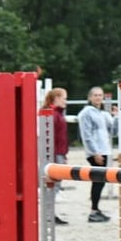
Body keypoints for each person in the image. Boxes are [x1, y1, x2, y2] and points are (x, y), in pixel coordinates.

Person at [78, 86, 117, 223]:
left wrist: (116, 117)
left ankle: (96, 209)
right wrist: (95, 152)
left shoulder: (103, 114)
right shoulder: (86, 113)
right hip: (96, 151)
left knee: (101, 181)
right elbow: (87, 135)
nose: (98, 97)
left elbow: (114, 132)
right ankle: (94, 210)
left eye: (100, 95)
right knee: (98, 180)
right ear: (90, 97)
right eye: (95, 95)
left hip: (104, 150)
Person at [43, 87, 70, 225]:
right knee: (52, 185)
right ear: (57, 98)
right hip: (55, 154)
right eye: (64, 98)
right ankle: (49, 214)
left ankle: (50, 213)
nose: (66, 101)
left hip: (59, 153)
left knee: (55, 186)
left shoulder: (57, 114)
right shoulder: (54, 115)